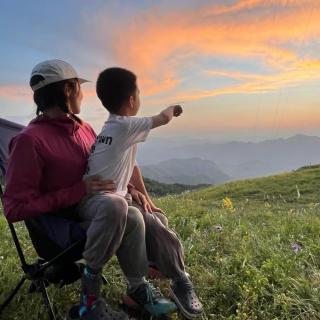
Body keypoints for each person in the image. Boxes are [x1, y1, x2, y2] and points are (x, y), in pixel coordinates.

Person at [80, 67, 203, 319]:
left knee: (156, 218)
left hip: (112, 199)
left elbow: (131, 164)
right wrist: (174, 109)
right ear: (132, 100)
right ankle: (178, 278)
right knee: (149, 221)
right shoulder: (125, 126)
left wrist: (147, 197)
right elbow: (163, 118)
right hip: (101, 202)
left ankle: (170, 277)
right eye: (138, 92)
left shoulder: (113, 129)